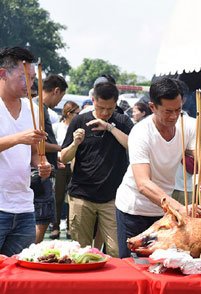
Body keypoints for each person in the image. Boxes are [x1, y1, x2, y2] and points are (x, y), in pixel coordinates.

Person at [115, 77, 201, 258]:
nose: (174, 116)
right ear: (152, 107)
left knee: (164, 264)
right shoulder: (140, 132)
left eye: (178, 110)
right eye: (168, 111)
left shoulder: (188, 125)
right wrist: (180, 209)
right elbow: (143, 183)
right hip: (134, 209)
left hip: (164, 211)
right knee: (135, 266)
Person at [60, 82, 133, 257]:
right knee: (80, 251)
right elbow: (64, 157)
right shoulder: (79, 120)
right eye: (101, 108)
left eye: (110, 108)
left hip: (112, 197)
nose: (105, 112)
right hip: (81, 195)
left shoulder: (122, 121)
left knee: (116, 250)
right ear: (93, 100)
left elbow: (133, 145)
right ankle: (81, 284)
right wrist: (75, 144)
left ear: (116, 103)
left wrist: (109, 127)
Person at [0, 46, 51, 256]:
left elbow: (34, 153)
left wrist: (42, 164)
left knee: (19, 275)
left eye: (32, 78)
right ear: (3, 73)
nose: (29, 84)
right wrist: (18, 138)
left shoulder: (33, 109)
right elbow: (22, 140)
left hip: (23, 206)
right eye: (23, 77)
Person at [33, 74, 68, 243]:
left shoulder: (40, 108)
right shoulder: (38, 108)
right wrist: (62, 147)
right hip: (39, 172)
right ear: (56, 91)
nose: (59, 102)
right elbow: (36, 142)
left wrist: (55, 158)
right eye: (61, 96)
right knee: (42, 218)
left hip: (45, 167)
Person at [52, 100, 80, 239]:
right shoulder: (57, 127)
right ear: (69, 114)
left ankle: (70, 227)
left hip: (74, 164)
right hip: (60, 164)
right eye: (76, 113)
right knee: (58, 197)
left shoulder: (78, 128)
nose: (78, 115)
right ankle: (55, 226)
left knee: (72, 198)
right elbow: (53, 145)